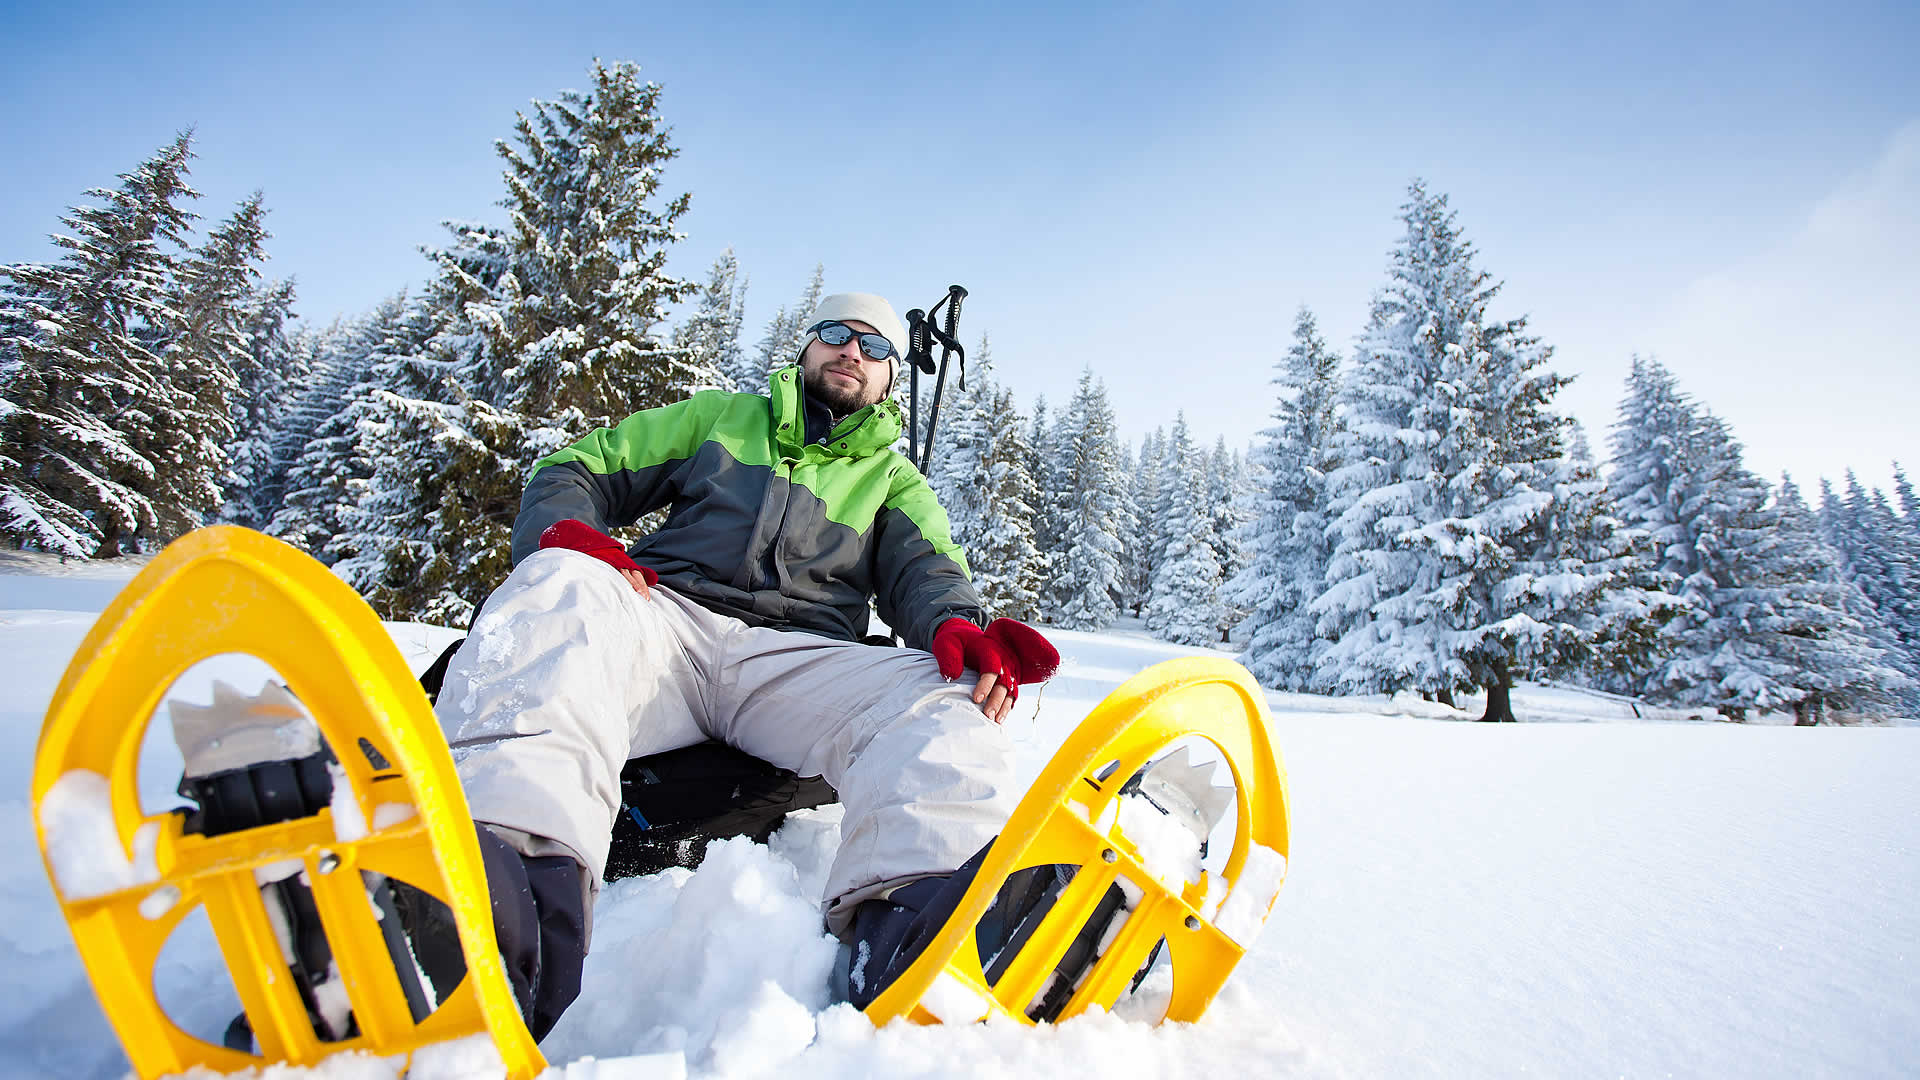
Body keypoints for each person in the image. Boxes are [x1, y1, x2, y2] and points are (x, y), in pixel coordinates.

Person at [430, 292, 1060, 1037]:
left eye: (874, 346)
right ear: (805, 350)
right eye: (834, 333)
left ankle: (924, 932)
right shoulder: (720, 419)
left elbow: (930, 575)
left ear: (892, 378)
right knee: (560, 583)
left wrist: (958, 624)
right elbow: (577, 468)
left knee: (942, 690)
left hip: (796, 662)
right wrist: (569, 532)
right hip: (664, 623)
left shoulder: (894, 483)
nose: (851, 351)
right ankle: (486, 893)